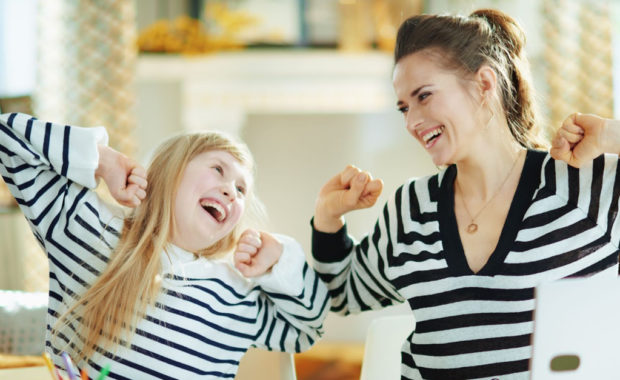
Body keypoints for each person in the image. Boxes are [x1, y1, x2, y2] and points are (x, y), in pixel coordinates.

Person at [310, 8, 620, 380]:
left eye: (424, 96)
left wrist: (609, 137)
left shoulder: (583, 185)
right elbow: (344, 292)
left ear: (484, 84)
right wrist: (327, 218)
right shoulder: (411, 209)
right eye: (404, 107)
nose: (411, 122)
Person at [0, 112, 329, 379]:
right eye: (218, 169)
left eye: (242, 190)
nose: (232, 191)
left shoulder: (235, 294)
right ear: (168, 171)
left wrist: (280, 262)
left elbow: (306, 329)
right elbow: (8, 138)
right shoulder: (90, 230)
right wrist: (102, 160)